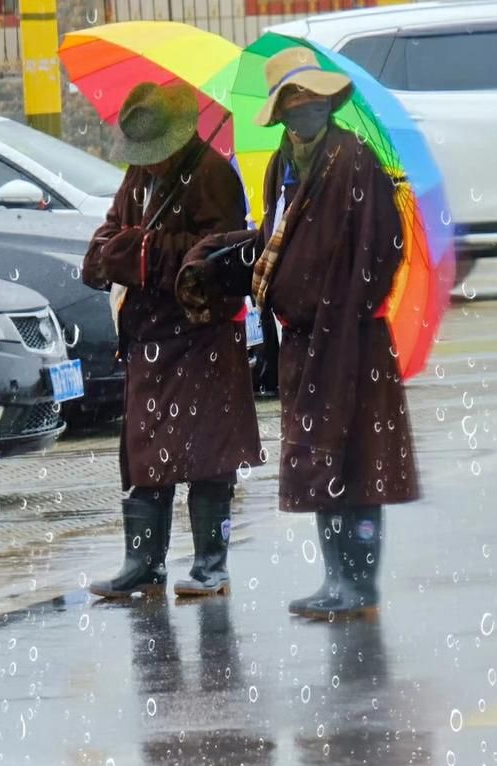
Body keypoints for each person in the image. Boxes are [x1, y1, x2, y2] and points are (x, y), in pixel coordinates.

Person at [176, 47, 420, 621]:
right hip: (303, 340)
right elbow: (274, 236)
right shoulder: (281, 164)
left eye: (310, 100)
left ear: (326, 103)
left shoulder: (354, 160)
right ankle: (335, 577)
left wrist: (344, 303)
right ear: (281, 113)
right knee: (320, 460)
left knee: (357, 462)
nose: (302, 110)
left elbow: (384, 248)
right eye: (292, 102)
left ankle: (359, 587)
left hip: (351, 339)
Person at [82, 81, 261, 599]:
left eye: (157, 154)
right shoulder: (138, 178)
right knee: (145, 456)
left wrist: (146, 255)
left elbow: (219, 257)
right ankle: (144, 562)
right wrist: (122, 253)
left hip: (201, 337)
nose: (150, 164)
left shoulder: (212, 176)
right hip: (149, 339)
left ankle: (211, 565)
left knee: (208, 459)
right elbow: (107, 237)